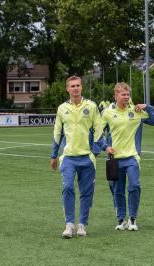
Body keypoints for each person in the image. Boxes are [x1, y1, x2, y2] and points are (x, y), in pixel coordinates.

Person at [50, 75, 103, 238]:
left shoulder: (91, 106)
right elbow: (57, 132)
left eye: (78, 85)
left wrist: (94, 151)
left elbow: (99, 128)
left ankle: (82, 225)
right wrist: (54, 154)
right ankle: (69, 225)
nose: (75, 88)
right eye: (72, 86)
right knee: (67, 188)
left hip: (87, 158)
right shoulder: (61, 108)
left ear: (82, 88)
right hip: (68, 157)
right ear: (67, 89)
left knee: (86, 192)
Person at [101, 82, 154, 231]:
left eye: (128, 94)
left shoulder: (136, 111)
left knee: (134, 186)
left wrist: (147, 107)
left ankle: (132, 218)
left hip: (132, 157)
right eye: (123, 94)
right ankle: (121, 219)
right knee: (118, 190)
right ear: (116, 95)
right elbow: (97, 133)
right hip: (114, 159)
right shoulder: (107, 112)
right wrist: (105, 146)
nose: (126, 97)